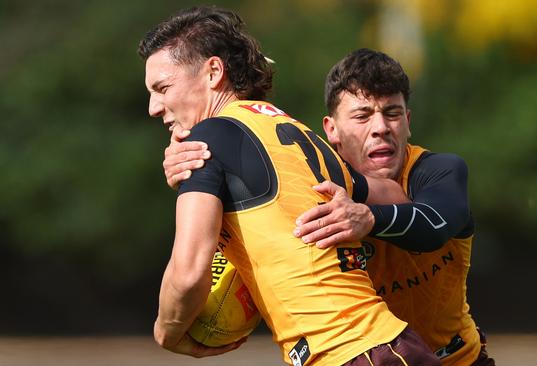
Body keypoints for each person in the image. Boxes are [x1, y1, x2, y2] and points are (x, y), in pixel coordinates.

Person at [139, 6, 440, 366]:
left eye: (162, 88)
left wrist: (166, 330)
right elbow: (395, 194)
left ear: (213, 72)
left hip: (351, 352)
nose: (154, 107)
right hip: (387, 345)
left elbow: (188, 274)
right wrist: (365, 215)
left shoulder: (206, 141)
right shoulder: (296, 133)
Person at [164, 48, 495, 365]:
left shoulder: (438, 171)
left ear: (408, 121)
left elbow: (433, 226)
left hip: (459, 359)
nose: (381, 128)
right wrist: (195, 160)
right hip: (375, 353)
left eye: (392, 114)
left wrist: (367, 219)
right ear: (331, 130)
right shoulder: (311, 180)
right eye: (362, 116)